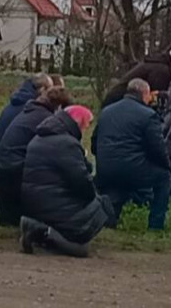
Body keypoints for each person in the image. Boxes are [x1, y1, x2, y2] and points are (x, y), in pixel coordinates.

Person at [20, 105, 112, 258]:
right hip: (53, 204)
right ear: (79, 124)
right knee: (102, 207)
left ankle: (40, 231)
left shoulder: (40, 137)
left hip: (36, 202)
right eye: (85, 127)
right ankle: (42, 231)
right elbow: (82, 184)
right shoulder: (67, 144)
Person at [94, 78, 171, 231]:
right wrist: (166, 165)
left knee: (116, 188)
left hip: (106, 167)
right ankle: (156, 225)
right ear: (144, 94)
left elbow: (94, 140)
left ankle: (108, 221)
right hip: (132, 168)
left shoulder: (107, 111)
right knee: (164, 178)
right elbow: (157, 148)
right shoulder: (148, 115)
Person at [0, 85, 71, 227]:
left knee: (13, 217)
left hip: (4, 168)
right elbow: (54, 150)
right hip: (15, 172)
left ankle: (2, 206)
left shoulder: (30, 111)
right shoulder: (47, 120)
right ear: (59, 107)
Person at [101, 46, 171, 107]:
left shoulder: (155, 64)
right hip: (120, 102)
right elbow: (155, 98)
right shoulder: (162, 71)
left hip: (116, 100)